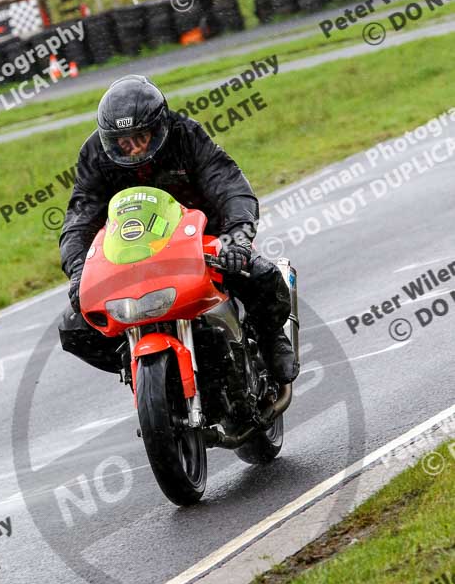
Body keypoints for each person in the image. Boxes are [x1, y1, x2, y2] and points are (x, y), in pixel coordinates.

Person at [58, 74, 298, 384]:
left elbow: (229, 185)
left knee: (261, 276)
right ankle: (137, 363)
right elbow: (79, 217)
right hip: (133, 250)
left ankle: (270, 338)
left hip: (203, 240)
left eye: (139, 137)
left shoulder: (186, 135)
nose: (130, 148)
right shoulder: (94, 155)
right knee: (73, 328)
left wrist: (237, 238)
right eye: (122, 141)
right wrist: (80, 272)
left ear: (158, 127)